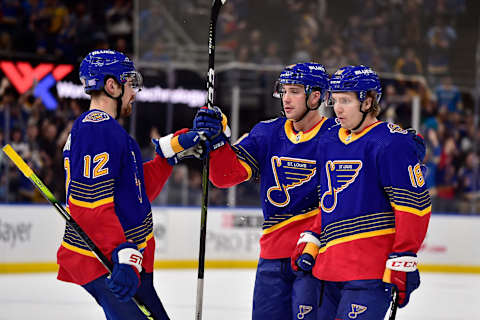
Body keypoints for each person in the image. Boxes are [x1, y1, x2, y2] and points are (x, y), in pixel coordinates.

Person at [57, 49, 205, 320]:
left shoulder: (108, 130)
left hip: (122, 258)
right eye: (130, 83)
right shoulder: (97, 129)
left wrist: (167, 156)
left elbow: (135, 192)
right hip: (108, 260)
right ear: (112, 86)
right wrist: (122, 253)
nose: (134, 92)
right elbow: (89, 204)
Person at [193, 62, 336, 320]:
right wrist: (216, 142)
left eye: (294, 91)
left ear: (316, 96)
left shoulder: (337, 137)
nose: (286, 98)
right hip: (272, 259)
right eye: (284, 90)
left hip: (317, 256)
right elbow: (224, 177)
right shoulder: (267, 132)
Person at [291, 65, 431, 319]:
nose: (338, 108)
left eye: (346, 100)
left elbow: (414, 205)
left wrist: (404, 255)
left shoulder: (390, 142)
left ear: (367, 102)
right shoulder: (329, 139)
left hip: (369, 273)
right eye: (334, 100)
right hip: (327, 270)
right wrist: (313, 235)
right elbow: (330, 198)